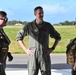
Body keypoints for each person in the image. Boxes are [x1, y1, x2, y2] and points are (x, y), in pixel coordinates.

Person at [16, 6, 61, 75]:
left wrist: (52, 48)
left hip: (44, 54)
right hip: (33, 54)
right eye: (39, 13)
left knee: (46, 72)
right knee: (32, 72)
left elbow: (58, 37)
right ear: (35, 14)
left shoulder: (48, 26)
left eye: (42, 13)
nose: (41, 15)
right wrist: (25, 50)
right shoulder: (29, 26)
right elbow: (19, 37)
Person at [0, 11, 13, 75]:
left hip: (2, 61)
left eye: (6, 19)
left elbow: (3, 44)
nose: (6, 21)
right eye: (4, 19)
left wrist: (8, 54)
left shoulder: (1, 30)